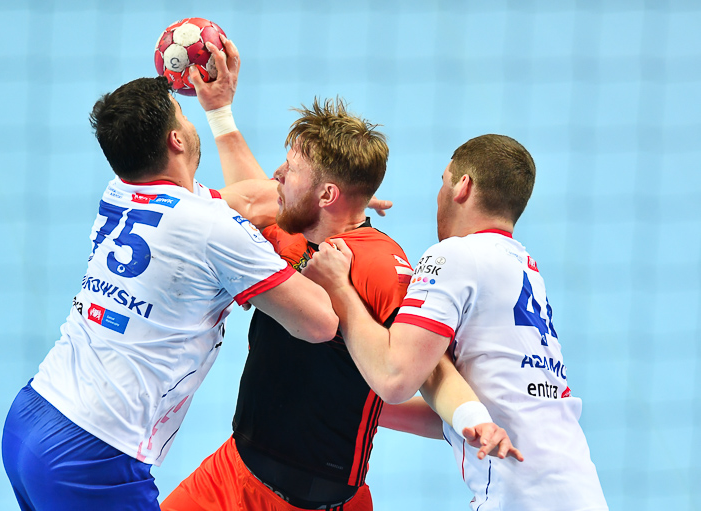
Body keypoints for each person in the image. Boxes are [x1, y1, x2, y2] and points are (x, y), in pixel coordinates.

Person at [161, 37, 520, 511]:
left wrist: (472, 416)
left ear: (327, 195)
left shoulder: (378, 265)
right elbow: (255, 199)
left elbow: (426, 364)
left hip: (321, 504)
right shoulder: (292, 237)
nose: (277, 175)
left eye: (290, 169)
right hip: (231, 478)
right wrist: (220, 111)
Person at [0, 73, 342, 511]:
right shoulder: (212, 228)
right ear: (176, 139)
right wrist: (336, 266)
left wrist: (325, 199)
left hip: (31, 419)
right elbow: (319, 323)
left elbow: (249, 202)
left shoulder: (124, 191)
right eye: (184, 113)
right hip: (91, 453)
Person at [304, 134, 609, 510]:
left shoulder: (457, 254)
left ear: (463, 186)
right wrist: (351, 407)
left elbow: (395, 377)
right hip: (577, 488)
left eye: (443, 182)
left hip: (519, 498)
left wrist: (339, 287)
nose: (439, 195)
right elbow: (464, 419)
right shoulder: (524, 269)